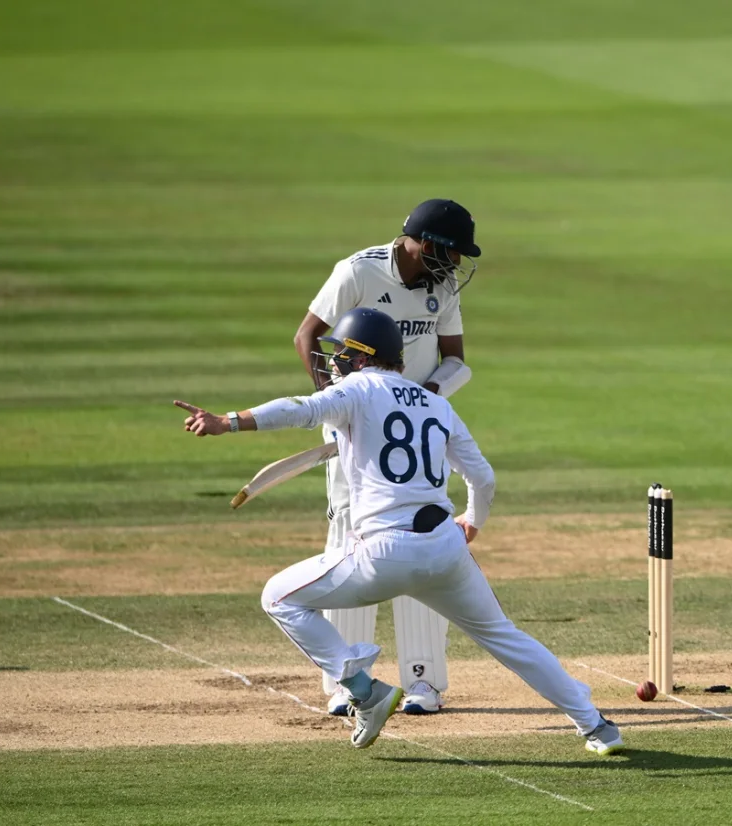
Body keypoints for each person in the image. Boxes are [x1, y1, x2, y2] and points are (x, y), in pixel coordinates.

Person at [172, 308, 624, 754]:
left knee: (279, 597)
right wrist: (473, 521)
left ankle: (364, 690)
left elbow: (301, 409)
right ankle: (596, 725)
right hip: (445, 547)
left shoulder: (357, 388)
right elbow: (483, 478)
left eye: (341, 353)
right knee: (505, 637)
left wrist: (226, 421)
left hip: (383, 554)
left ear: (363, 357)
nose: (333, 362)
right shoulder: (437, 403)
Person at [292, 198, 478, 716]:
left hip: (413, 435)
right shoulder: (357, 272)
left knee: (420, 538)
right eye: (452, 252)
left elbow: (456, 360)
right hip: (357, 433)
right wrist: (340, 407)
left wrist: (427, 400)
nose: (457, 265)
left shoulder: (441, 285)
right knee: (347, 542)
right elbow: (307, 336)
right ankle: (346, 680)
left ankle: (424, 682)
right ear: (424, 243)